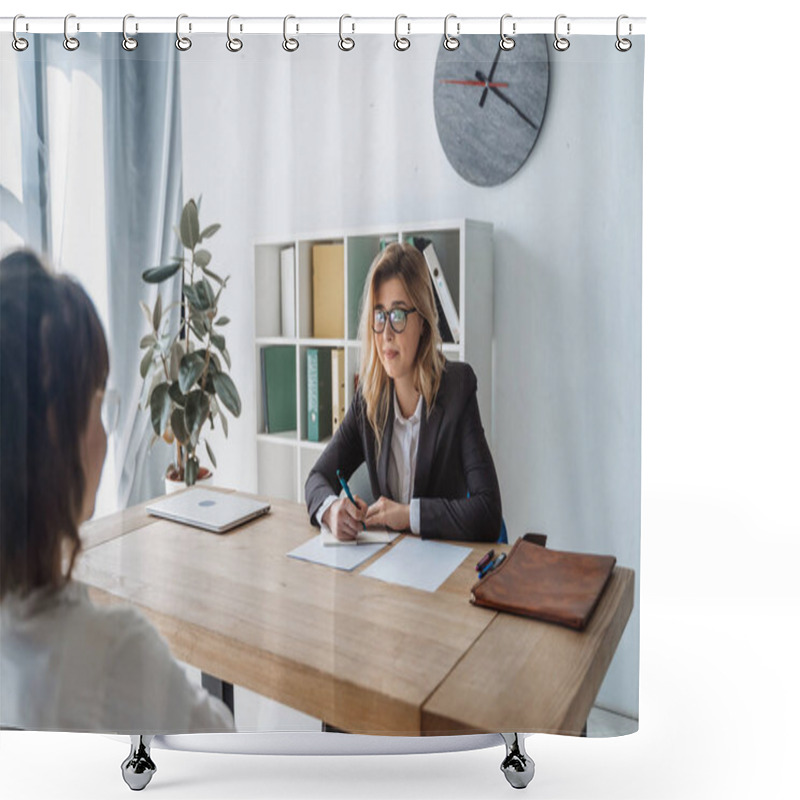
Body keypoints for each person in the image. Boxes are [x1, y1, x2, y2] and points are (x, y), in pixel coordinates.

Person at [0, 250, 234, 733]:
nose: (105, 435)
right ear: (51, 435)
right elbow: (220, 750)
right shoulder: (115, 657)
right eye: (96, 402)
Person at [305, 242, 502, 542]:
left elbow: (487, 512)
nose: (386, 334)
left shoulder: (457, 390)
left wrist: (408, 515)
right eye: (379, 315)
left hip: (444, 570)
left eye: (398, 315)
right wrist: (332, 510)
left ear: (422, 321)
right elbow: (317, 478)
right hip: (390, 566)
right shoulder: (369, 397)